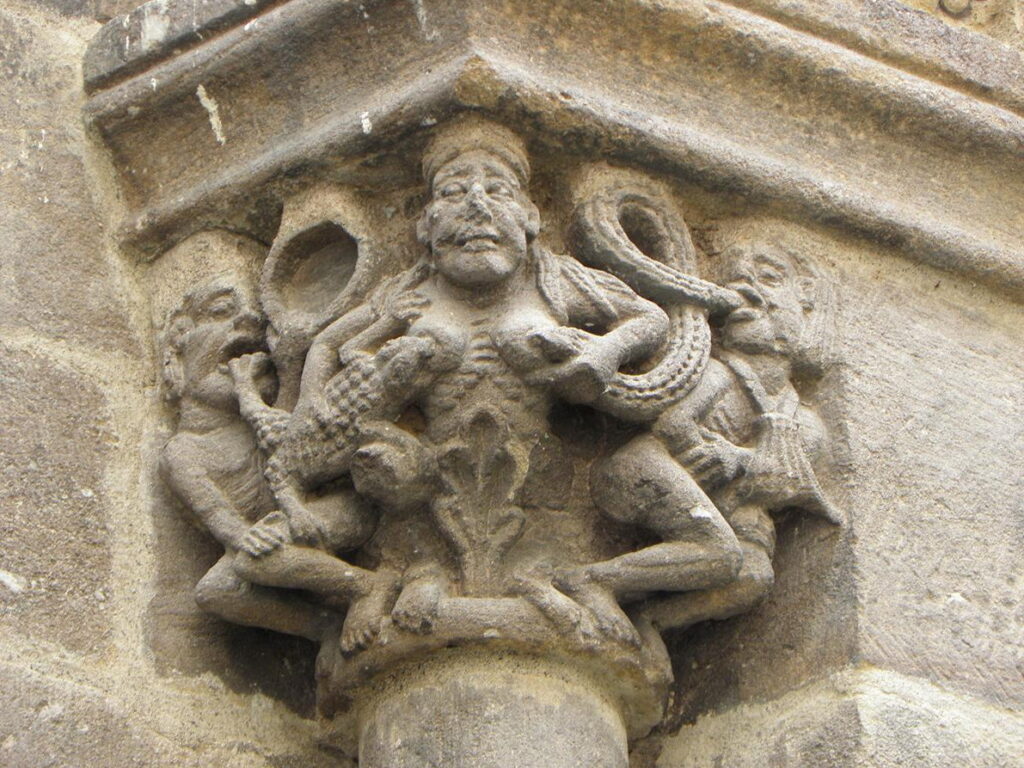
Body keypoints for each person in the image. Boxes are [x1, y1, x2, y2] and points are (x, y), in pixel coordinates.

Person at [159, 281, 338, 640]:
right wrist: (241, 537)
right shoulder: (184, 451)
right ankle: (327, 626)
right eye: (222, 311)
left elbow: (298, 441)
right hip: (273, 543)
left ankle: (362, 588)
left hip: (318, 515)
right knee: (218, 588)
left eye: (255, 323)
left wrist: (288, 369)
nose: (247, 319)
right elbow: (215, 513)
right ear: (176, 355)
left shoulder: (260, 418)